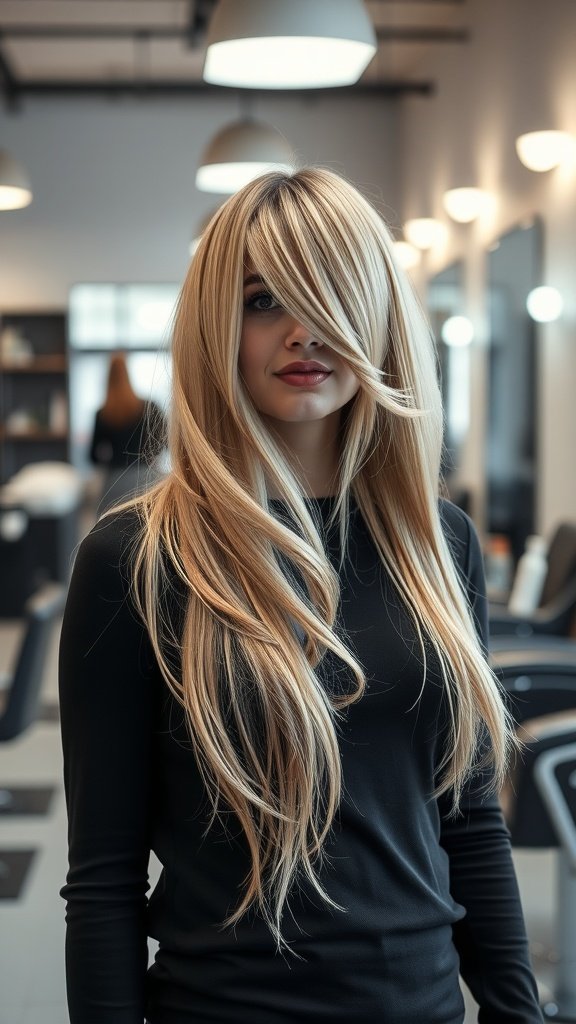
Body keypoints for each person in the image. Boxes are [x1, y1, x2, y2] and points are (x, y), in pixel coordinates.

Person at [59, 168, 543, 1024]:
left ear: (380, 319)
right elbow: (104, 876)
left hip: (423, 1005)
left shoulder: (439, 542)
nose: (304, 330)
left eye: (331, 294)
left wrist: (518, 1010)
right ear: (217, 328)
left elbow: (468, 822)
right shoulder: (136, 557)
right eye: (262, 300)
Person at [89, 351, 166, 507]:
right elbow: (165, 443)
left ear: (108, 377)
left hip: (115, 482)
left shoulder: (102, 414)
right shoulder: (149, 407)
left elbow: (92, 456)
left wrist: (111, 457)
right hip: (147, 479)